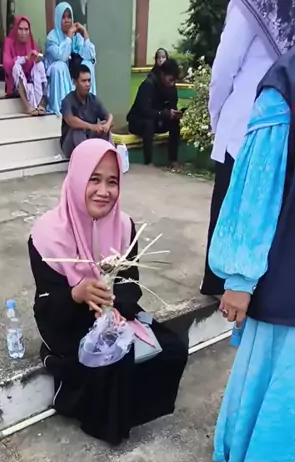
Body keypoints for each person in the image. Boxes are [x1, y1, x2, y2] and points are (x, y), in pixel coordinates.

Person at [208, 13, 295, 462]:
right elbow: (257, 186)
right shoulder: (290, 83)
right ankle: (270, 458)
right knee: (292, 369)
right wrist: (239, 278)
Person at [28, 138, 188, 445]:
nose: (104, 191)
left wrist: (115, 304)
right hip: (66, 319)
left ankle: (138, 411)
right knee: (113, 358)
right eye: (94, 179)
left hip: (114, 312)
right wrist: (77, 294)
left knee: (173, 348)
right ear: (77, 179)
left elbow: (131, 283)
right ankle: (106, 424)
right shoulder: (46, 235)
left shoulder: (124, 226)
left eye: (112, 182)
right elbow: (46, 300)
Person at [201, 0, 295, 297]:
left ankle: (221, 284)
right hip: (289, 124)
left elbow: (224, 69)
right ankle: (254, 285)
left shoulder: (251, 4)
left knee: (231, 207)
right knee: (269, 207)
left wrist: (217, 117)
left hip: (245, 123)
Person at [127, 58, 182, 167]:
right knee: (149, 123)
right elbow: (144, 110)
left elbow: (172, 106)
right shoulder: (148, 84)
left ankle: (173, 160)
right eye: (170, 80)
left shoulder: (171, 88)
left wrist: (175, 114)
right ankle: (148, 162)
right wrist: (163, 114)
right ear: (162, 74)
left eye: (174, 81)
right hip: (138, 122)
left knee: (175, 123)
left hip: (158, 121)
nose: (172, 84)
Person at [45, 1, 96, 116]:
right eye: (63, 17)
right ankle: (64, 107)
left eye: (69, 17)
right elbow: (62, 57)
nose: (67, 20)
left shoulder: (76, 36)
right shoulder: (52, 38)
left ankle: (88, 105)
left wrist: (84, 32)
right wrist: (68, 37)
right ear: (57, 19)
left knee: (87, 64)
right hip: (56, 78)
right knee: (60, 66)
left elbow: (89, 55)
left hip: (72, 75)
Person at [60, 63, 112, 158]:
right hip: (70, 144)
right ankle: (87, 157)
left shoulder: (93, 99)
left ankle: (109, 155)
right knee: (77, 129)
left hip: (89, 140)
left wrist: (107, 124)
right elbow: (70, 120)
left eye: (89, 80)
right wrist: (91, 126)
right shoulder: (68, 100)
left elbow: (109, 115)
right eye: (83, 81)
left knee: (104, 126)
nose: (87, 84)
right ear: (75, 82)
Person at [2, 15, 47, 115]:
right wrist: (25, 58)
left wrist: (36, 59)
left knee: (40, 65)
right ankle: (27, 106)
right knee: (16, 67)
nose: (23, 33)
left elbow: (35, 66)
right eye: (20, 29)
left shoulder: (32, 43)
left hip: (30, 81)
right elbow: (7, 65)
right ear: (15, 29)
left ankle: (40, 104)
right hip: (15, 84)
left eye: (26, 29)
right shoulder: (9, 42)